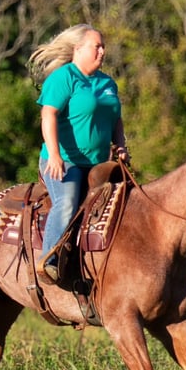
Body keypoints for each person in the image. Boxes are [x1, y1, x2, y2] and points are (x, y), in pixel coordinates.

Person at [27, 24, 130, 284]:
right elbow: (48, 114)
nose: (103, 51)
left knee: (128, 203)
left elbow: (116, 120)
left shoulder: (108, 83)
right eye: (97, 46)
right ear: (78, 49)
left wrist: (120, 146)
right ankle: (48, 260)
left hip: (99, 164)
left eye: (103, 46)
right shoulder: (64, 78)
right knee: (68, 201)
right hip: (65, 161)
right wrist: (54, 155)